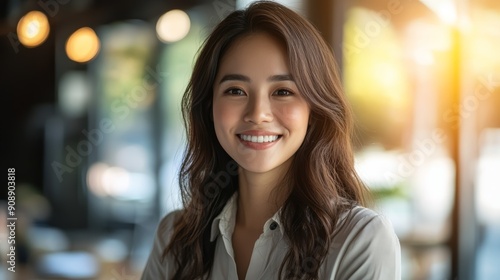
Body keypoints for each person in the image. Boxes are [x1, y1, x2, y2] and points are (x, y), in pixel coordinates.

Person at [141, 1, 401, 279]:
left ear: (314, 109)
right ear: (209, 107)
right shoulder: (175, 237)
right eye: (236, 91)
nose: (258, 114)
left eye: (283, 91)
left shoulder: (359, 240)